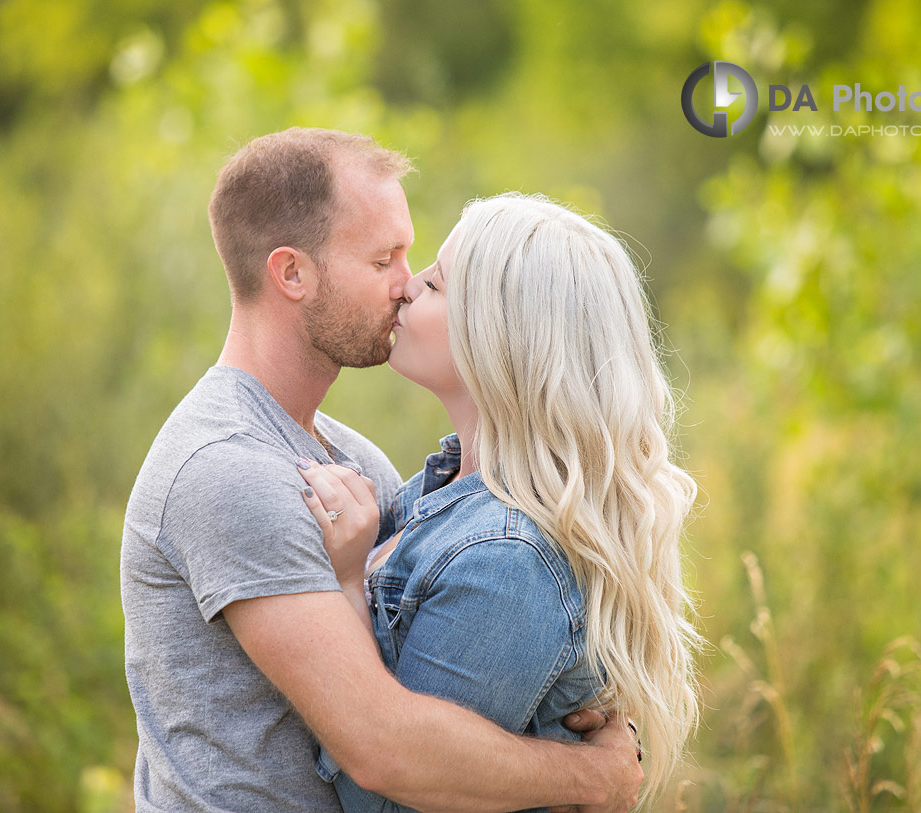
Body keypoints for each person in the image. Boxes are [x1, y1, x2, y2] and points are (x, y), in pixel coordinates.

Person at [120, 128, 642, 812]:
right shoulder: (229, 469)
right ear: (293, 273)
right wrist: (586, 777)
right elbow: (383, 746)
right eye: (384, 259)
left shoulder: (356, 462)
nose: (406, 285)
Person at [297, 193, 705, 811]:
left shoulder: (505, 556)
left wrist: (348, 583)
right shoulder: (438, 493)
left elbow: (386, 801)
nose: (406, 289)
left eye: (435, 283)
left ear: (499, 334)